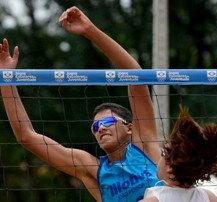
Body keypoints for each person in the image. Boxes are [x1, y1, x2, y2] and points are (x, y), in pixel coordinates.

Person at [0, 6, 161, 202]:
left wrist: (89, 30)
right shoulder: (92, 169)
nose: (100, 127)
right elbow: (26, 136)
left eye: (108, 121)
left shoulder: (144, 146)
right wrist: (6, 79)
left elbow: (135, 75)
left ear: (130, 128)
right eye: (95, 126)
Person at [139, 106, 217, 202]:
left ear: (170, 168)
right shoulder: (210, 198)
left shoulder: (154, 200)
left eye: (164, 152)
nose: (160, 154)